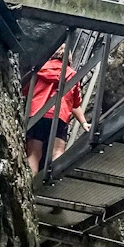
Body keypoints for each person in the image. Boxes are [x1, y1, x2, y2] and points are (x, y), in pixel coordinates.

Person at [23, 45, 91, 175]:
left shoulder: (39, 70)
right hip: (59, 116)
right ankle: (55, 182)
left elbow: (25, 90)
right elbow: (75, 104)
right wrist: (83, 123)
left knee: (33, 152)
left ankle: (30, 187)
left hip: (38, 114)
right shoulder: (72, 75)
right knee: (58, 151)